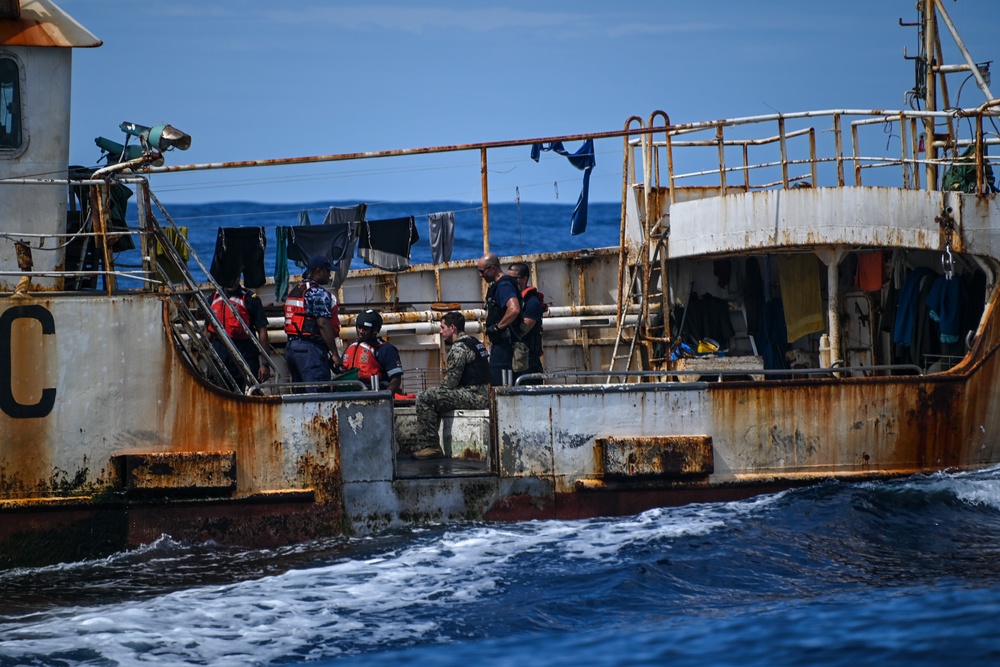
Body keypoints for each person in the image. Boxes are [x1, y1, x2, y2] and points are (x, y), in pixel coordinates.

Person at [411, 311, 491, 460]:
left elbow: (450, 383)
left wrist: (439, 392)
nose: (440, 332)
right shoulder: (475, 342)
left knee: (425, 397)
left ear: (452, 328)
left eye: (442, 327)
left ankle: (429, 446)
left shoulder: (459, 348)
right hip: (483, 393)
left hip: (474, 396)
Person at [283, 255, 342, 392]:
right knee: (318, 394)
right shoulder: (318, 293)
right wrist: (334, 353)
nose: (330, 275)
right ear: (319, 271)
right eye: (328, 271)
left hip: (292, 348)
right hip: (310, 351)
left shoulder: (296, 290)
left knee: (300, 395)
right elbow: (323, 324)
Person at [207, 277, 271, 391]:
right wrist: (196, 356)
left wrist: (265, 364)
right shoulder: (212, 299)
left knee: (249, 393)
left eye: (234, 276)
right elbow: (207, 331)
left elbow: (262, 331)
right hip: (219, 356)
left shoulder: (251, 299)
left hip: (245, 356)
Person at [478, 252, 521, 386]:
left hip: (504, 347)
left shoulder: (503, 286)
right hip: (506, 345)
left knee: (498, 386)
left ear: (492, 268)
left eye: (482, 271)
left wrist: (497, 327)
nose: (480, 275)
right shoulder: (501, 285)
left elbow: (514, 309)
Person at [341, 308, 404, 395]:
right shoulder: (351, 347)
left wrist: (385, 397)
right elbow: (341, 371)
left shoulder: (385, 349)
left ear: (375, 330)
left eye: (365, 329)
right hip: (348, 395)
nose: (361, 331)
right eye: (359, 327)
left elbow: (396, 379)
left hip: (373, 394)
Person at [507, 262, 546, 382]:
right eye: (508, 278)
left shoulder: (532, 303)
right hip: (515, 360)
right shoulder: (513, 300)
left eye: (514, 279)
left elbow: (522, 330)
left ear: (524, 279)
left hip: (529, 362)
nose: (510, 282)